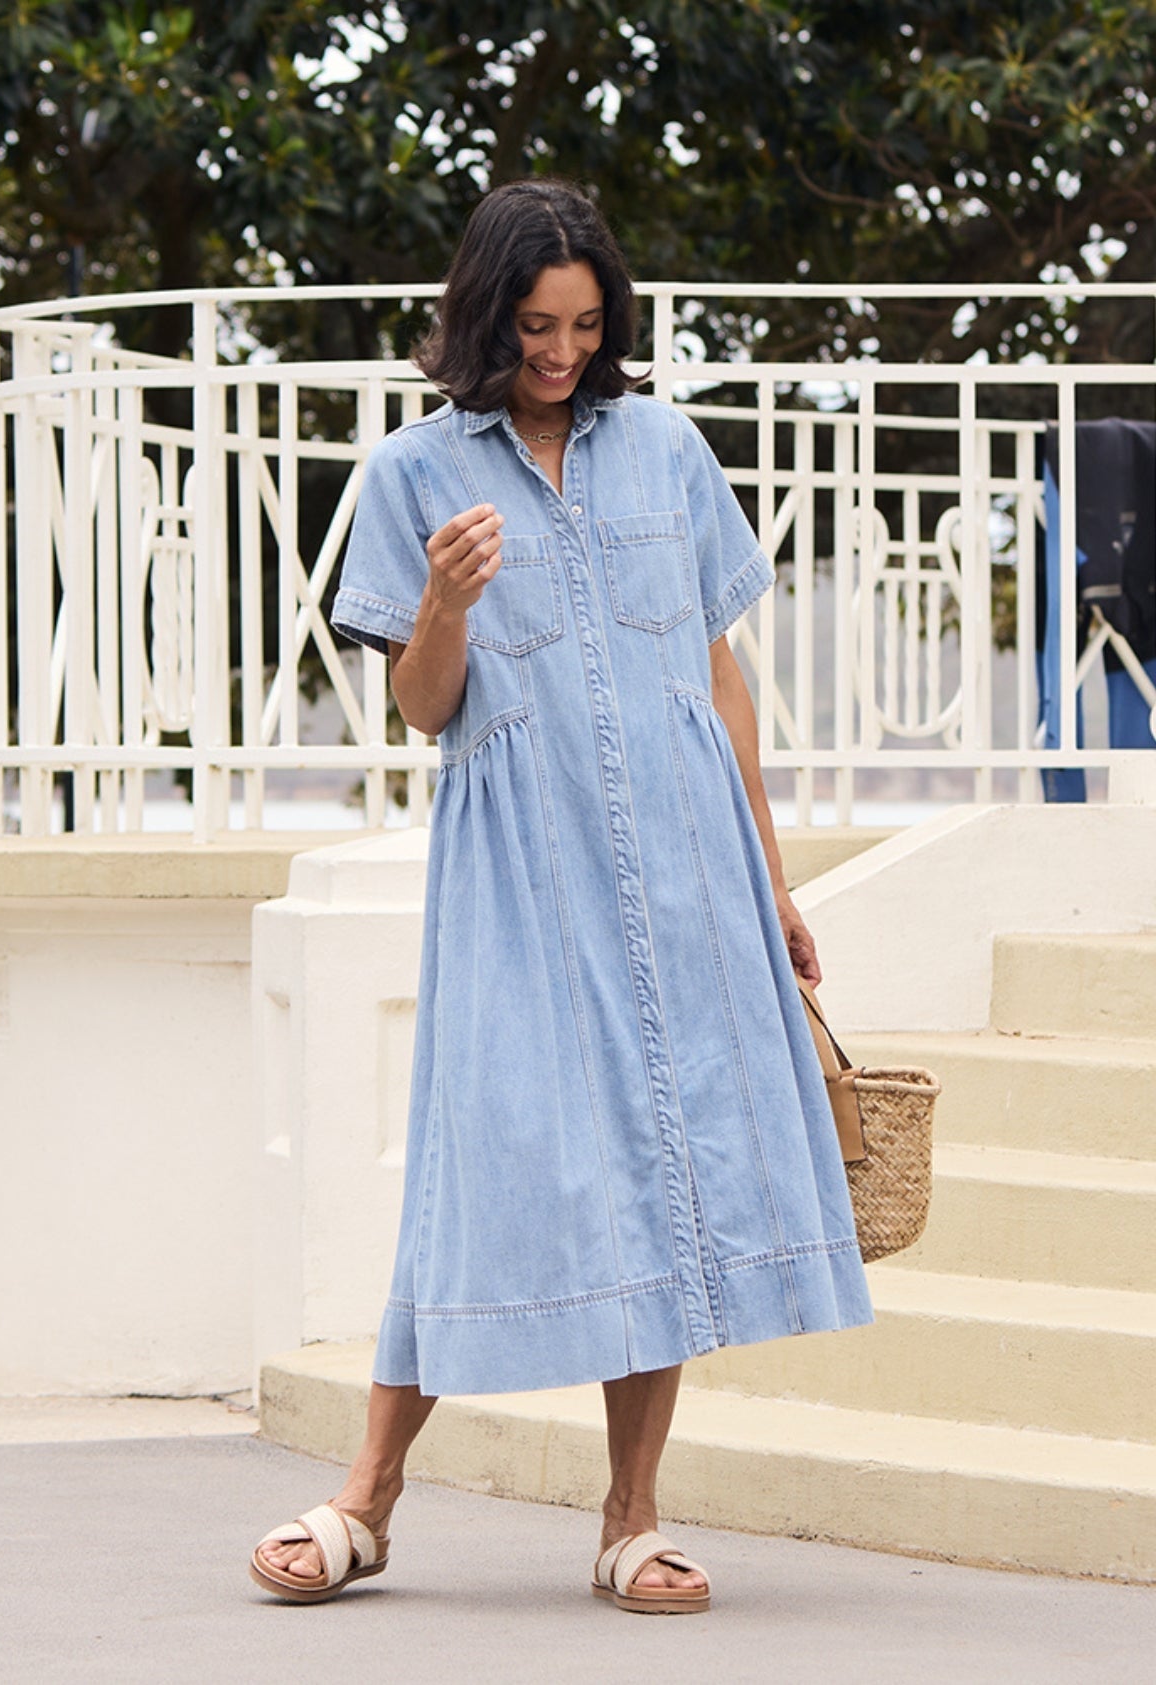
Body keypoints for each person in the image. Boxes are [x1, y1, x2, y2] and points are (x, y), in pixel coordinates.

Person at [250, 179, 873, 1615]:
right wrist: (448, 602)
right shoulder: (412, 472)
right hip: (523, 881)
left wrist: (772, 877)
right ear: (486, 317)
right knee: (476, 1166)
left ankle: (631, 1517)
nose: (562, 352)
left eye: (587, 325)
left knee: (668, 1173)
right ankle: (369, 1497)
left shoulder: (666, 448)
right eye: (536, 325)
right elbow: (424, 709)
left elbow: (719, 674)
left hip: (690, 868)